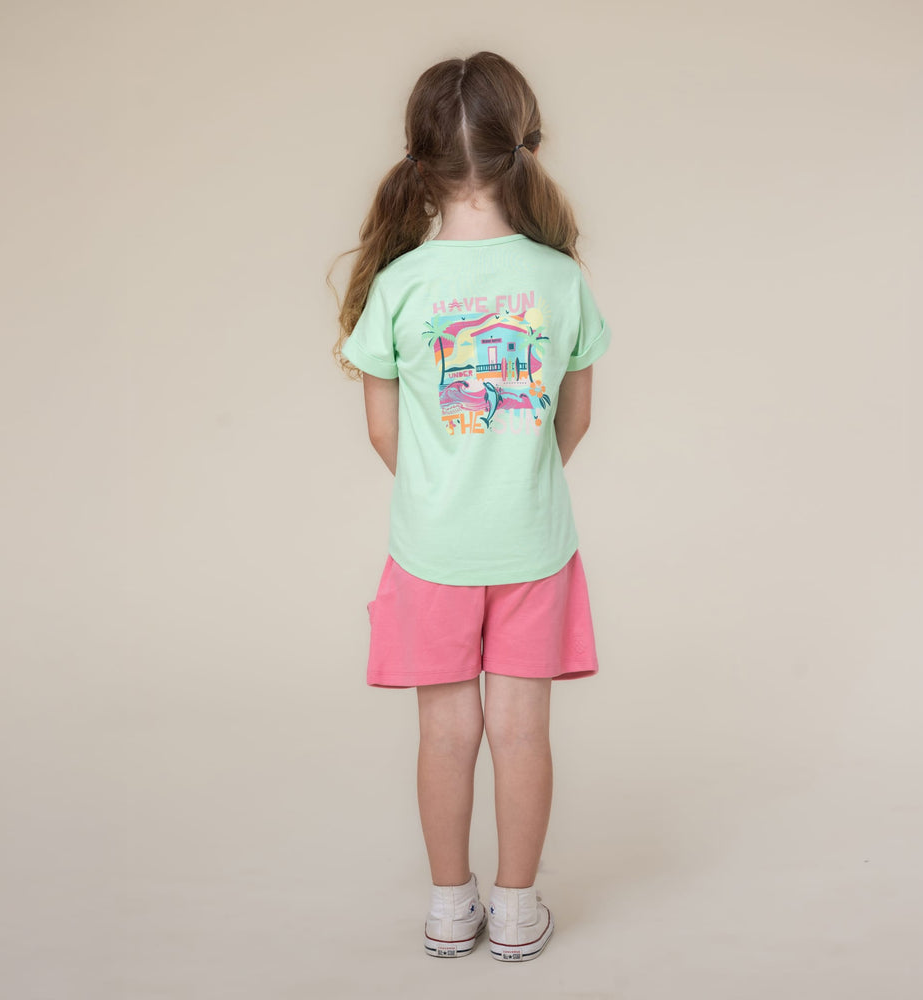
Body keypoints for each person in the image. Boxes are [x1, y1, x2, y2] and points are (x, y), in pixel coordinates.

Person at [328, 51, 611, 963]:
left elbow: (383, 432)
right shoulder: (561, 279)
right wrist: (519, 477)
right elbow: (577, 418)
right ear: (525, 146)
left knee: (445, 734)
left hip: (431, 547)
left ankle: (451, 907)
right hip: (533, 543)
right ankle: (518, 911)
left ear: (419, 159)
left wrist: (443, 488)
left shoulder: (400, 285)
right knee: (523, 731)